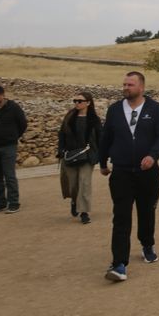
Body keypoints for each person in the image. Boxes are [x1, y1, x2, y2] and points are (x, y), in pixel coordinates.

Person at [100, 72, 159, 282]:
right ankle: (119, 263)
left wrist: (153, 155)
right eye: (124, 84)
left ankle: (147, 243)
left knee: (146, 211)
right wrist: (102, 162)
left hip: (147, 173)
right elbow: (106, 138)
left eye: (130, 84)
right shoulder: (114, 110)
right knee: (121, 217)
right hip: (121, 172)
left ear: (141, 87)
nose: (126, 87)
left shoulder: (155, 109)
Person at [0, 85, 28, 213]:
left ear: (2, 95)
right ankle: (0, 203)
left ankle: (14, 203)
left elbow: (23, 124)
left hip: (8, 147)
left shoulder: (13, 108)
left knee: (9, 176)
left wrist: (12, 136)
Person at [57, 91, 102, 224]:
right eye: (75, 101)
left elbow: (101, 136)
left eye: (80, 101)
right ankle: (74, 201)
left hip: (88, 156)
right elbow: (61, 134)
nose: (77, 103)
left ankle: (84, 212)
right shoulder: (69, 117)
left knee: (84, 183)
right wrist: (61, 150)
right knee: (73, 185)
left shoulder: (94, 119)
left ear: (88, 103)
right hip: (70, 155)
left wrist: (101, 154)